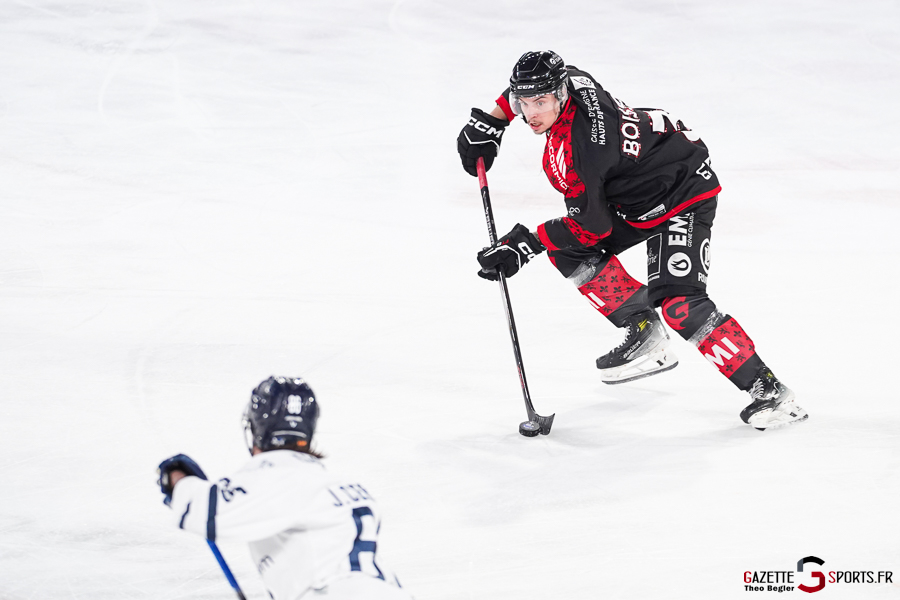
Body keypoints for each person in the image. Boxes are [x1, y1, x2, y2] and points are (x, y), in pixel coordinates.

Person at [457, 50, 807, 431]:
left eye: (540, 102)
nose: (531, 114)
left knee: (679, 304)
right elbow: (532, 86)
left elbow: (593, 227)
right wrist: (491, 121)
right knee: (567, 250)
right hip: (639, 191)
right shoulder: (572, 80)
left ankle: (770, 391)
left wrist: (526, 243)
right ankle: (643, 327)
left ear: (560, 94)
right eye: (522, 103)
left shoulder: (581, 151)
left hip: (681, 195)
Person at [157, 376, 413, 600]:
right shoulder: (344, 484)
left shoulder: (275, 475)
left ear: (257, 430)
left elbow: (203, 512)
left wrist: (178, 478)